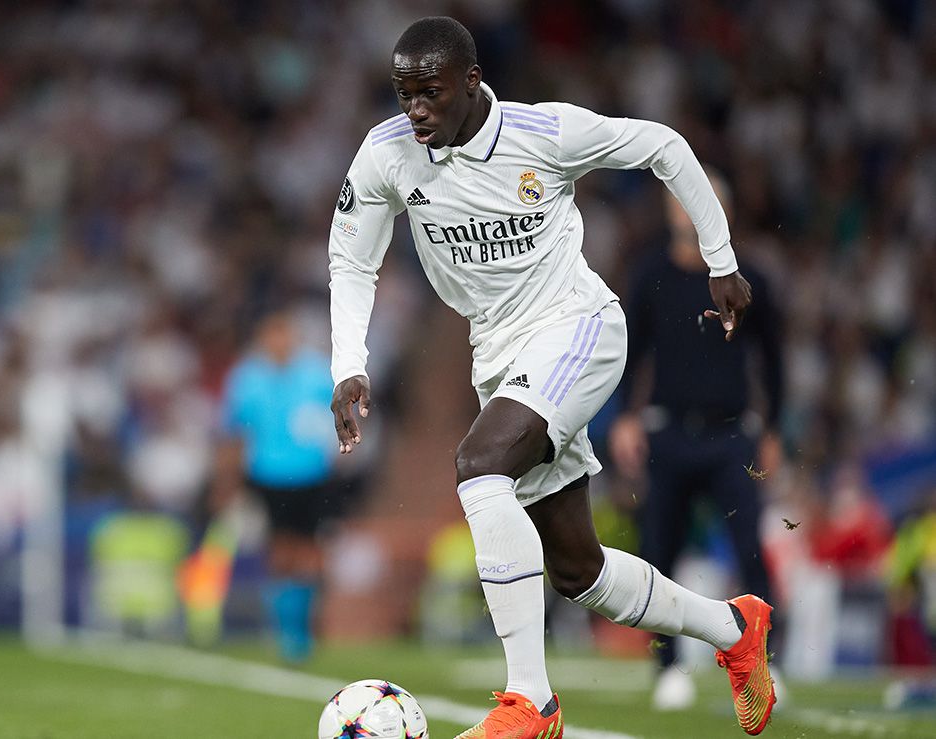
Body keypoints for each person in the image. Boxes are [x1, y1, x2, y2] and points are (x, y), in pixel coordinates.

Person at [328, 17, 774, 738]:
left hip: (576, 325)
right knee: (577, 570)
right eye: (404, 94)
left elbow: (664, 145)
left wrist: (719, 259)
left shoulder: (545, 133)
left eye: (430, 93)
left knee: (479, 465)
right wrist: (349, 364)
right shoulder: (387, 153)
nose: (415, 110)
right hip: (497, 352)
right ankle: (734, 627)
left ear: (472, 82)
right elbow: (352, 260)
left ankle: (530, 701)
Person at [610, 171, 784, 711]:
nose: (692, 210)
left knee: (751, 549)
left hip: (732, 435)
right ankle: (667, 667)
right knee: (658, 552)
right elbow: (628, 350)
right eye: (684, 200)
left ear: (724, 212)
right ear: (670, 210)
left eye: (704, 200)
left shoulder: (749, 277)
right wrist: (625, 417)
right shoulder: (651, 274)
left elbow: (773, 358)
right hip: (667, 432)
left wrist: (773, 428)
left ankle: (767, 661)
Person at [218, 308, 338, 662]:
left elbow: (338, 419)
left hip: (312, 474)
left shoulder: (316, 373)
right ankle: (287, 631)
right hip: (268, 474)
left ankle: (304, 627)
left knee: (311, 551)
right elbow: (235, 431)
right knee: (279, 550)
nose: (279, 342)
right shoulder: (247, 377)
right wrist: (228, 481)